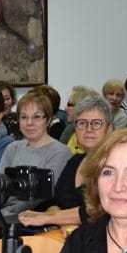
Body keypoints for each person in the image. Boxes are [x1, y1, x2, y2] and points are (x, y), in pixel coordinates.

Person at [19, 96, 114, 229]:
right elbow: (53, 201)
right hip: (63, 235)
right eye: (82, 123)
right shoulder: (75, 161)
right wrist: (63, 222)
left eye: (96, 123)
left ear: (110, 129)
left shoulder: (115, 165)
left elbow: (98, 210)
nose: (88, 129)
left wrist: (50, 218)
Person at [0, 92, 72, 219]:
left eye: (36, 117)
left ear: (47, 120)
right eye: (24, 117)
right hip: (2, 211)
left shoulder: (61, 152)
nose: (29, 123)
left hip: (32, 217)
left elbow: (38, 198)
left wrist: (2, 216)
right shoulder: (12, 148)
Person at [60, 86, 101, 150]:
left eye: (69, 104)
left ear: (82, 107)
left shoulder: (94, 136)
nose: (65, 108)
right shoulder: (70, 128)